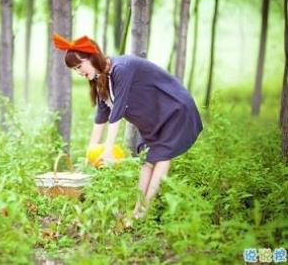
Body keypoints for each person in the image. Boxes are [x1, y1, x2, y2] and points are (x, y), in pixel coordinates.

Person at [52, 33, 203, 219]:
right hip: (153, 117)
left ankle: (144, 212)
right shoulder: (100, 78)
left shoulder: (120, 68)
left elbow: (118, 110)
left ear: (91, 57)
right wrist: (89, 154)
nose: (79, 72)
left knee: (162, 156)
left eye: (79, 66)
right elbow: (102, 116)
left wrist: (108, 151)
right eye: (74, 69)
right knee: (147, 160)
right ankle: (137, 211)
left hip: (172, 107)